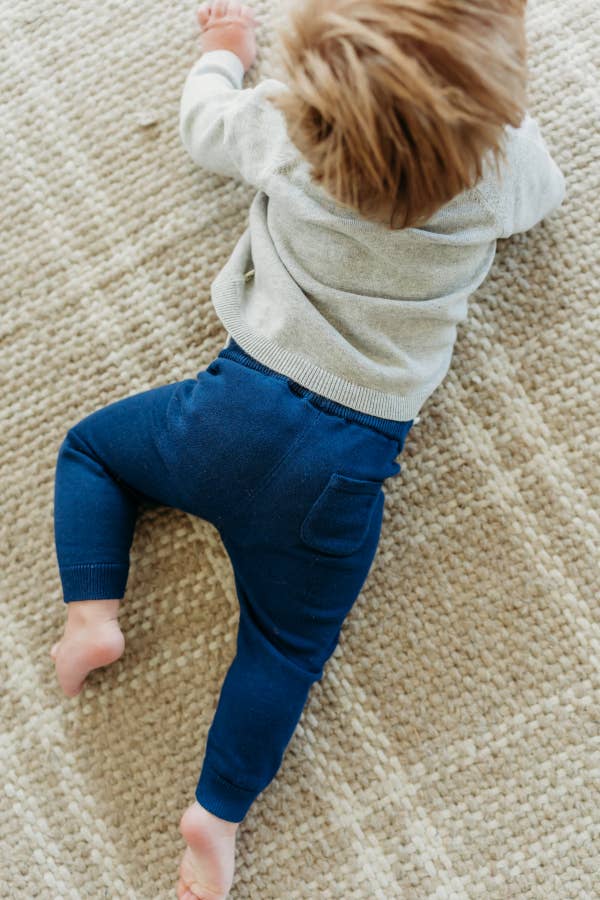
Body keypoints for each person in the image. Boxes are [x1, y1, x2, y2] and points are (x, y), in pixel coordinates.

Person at [51, 2, 565, 897]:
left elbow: (201, 127)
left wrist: (223, 53)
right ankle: (216, 815)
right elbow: (547, 195)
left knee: (91, 454)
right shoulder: (499, 168)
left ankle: (92, 614)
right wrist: (498, 124)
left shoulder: (288, 126)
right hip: (343, 470)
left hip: (224, 414)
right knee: (283, 651)